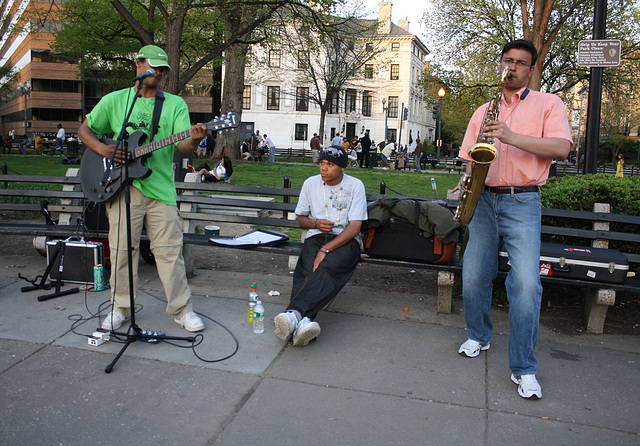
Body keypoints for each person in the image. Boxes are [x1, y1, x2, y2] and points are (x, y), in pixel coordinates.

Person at [455, 39, 572, 400]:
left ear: (531, 69)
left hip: (523, 201)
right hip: (484, 199)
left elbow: (561, 148)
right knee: (473, 276)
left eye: (522, 63)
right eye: (509, 60)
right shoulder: (483, 110)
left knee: (525, 286)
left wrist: (510, 135)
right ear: (501, 63)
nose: (514, 67)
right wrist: (466, 180)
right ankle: (479, 335)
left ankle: (524, 367)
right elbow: (471, 158)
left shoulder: (548, 104)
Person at [78, 44, 208, 333]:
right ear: (138, 63)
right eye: (154, 66)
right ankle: (120, 307)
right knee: (123, 251)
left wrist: (196, 139)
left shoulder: (175, 104)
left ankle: (182, 309)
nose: (159, 73)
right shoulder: (116, 101)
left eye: (163, 69)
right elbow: (84, 130)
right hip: (122, 189)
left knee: (169, 252)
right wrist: (105, 149)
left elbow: (182, 146)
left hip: (160, 190)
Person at [273, 146, 367, 346]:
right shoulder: (310, 184)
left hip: (345, 239)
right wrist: (315, 223)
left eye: (330, 165)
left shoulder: (355, 186)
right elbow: (301, 218)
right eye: (322, 163)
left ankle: (293, 314)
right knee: (307, 269)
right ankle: (303, 323)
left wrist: (326, 250)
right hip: (316, 236)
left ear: (342, 167)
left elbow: (355, 227)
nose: (324, 169)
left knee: (327, 268)